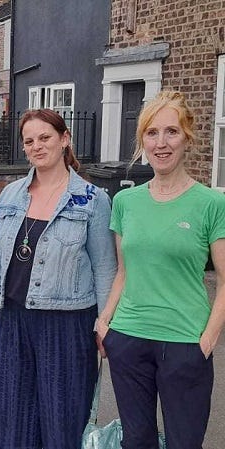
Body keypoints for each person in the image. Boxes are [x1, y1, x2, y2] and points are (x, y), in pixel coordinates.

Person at [0, 109, 117, 449]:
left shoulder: (92, 201)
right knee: (12, 418)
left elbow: (105, 268)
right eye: (29, 141)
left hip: (68, 325)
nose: (37, 146)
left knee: (63, 420)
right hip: (13, 320)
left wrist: (105, 322)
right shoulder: (11, 195)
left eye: (45, 137)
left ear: (65, 139)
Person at [96, 90, 225, 449]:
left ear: (188, 138)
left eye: (171, 132)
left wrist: (207, 340)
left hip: (186, 342)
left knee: (185, 442)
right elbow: (124, 271)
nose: (161, 142)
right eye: (152, 133)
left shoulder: (212, 203)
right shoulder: (125, 202)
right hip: (129, 338)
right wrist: (105, 322)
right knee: (136, 441)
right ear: (142, 141)